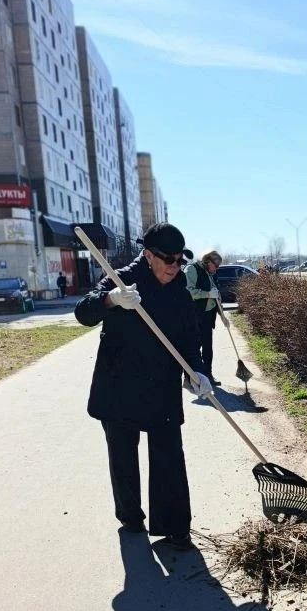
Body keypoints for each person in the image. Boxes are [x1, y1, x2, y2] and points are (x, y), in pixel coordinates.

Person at [74, 222, 213, 550]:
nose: (174, 267)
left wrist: (196, 371)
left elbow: (189, 337)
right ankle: (130, 518)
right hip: (119, 387)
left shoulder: (179, 287)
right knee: (123, 456)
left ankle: (175, 525)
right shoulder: (121, 279)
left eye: (180, 260)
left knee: (169, 455)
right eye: (168, 260)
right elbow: (84, 312)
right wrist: (110, 299)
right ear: (148, 255)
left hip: (160, 387)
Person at [184, 249, 223, 386]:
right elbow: (188, 291)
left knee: (207, 347)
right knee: (194, 348)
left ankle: (208, 375)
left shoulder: (209, 273)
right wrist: (207, 294)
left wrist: (222, 315)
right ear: (208, 261)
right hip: (195, 316)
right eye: (216, 266)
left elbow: (216, 294)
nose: (217, 269)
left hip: (207, 317)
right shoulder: (192, 269)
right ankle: (191, 378)